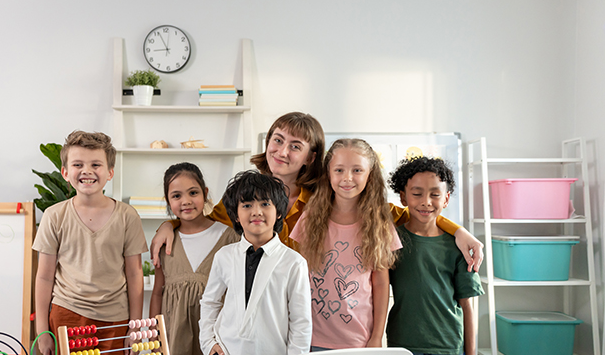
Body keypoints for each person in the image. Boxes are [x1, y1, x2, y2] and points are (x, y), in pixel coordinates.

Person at [150, 112, 484, 271]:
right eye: (277, 140)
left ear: (311, 157)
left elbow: (405, 214)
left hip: (311, 303)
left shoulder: (327, 194)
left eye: (295, 146)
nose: (282, 151)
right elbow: (206, 224)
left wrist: (460, 231)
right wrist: (170, 224)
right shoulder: (246, 192)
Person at [199, 171, 312, 355]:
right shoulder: (225, 256)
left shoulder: (293, 263)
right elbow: (209, 302)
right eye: (247, 205)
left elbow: (301, 326)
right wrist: (208, 344)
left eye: (265, 204)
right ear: (236, 214)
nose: (256, 212)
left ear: (278, 211)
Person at [33, 130, 147, 355]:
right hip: (67, 316)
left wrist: (134, 326)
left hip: (115, 319)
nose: (87, 171)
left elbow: (135, 273)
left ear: (109, 172)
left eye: (95, 164)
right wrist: (42, 332)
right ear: (64, 172)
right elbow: (44, 277)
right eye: (78, 164)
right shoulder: (54, 216)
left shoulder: (127, 216)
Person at [149, 162, 239, 355]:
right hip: (176, 332)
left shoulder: (228, 236)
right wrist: (153, 335)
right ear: (168, 202)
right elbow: (159, 290)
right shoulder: (166, 240)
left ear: (205, 194)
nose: (186, 201)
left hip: (217, 334)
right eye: (176, 196)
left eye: (193, 192)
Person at [387, 156, 484, 355]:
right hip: (403, 344)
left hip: (449, 345)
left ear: (447, 198)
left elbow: (467, 306)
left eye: (434, 194)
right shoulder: (391, 240)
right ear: (403, 197)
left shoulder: (458, 246)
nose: (426, 202)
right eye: (417, 194)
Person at [291, 139, 402, 350]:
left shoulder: (380, 223)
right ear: (328, 174)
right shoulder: (310, 218)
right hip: (312, 338)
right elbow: (299, 278)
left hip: (359, 341)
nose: (347, 178)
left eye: (357, 170)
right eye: (339, 170)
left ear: (370, 175)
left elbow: (380, 284)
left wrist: (377, 337)